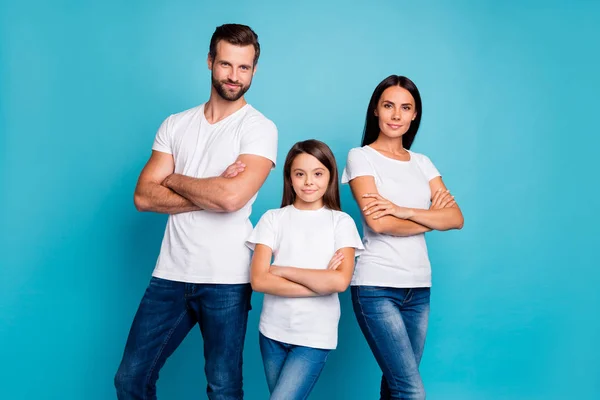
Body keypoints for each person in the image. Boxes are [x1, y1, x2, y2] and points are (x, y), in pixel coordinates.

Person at [114, 24, 278, 400]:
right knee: (130, 380)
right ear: (209, 62)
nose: (234, 76)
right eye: (225, 64)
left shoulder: (259, 128)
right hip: (169, 274)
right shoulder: (175, 124)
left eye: (244, 68)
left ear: (254, 70)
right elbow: (143, 197)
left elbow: (231, 199)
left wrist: (173, 178)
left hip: (227, 279)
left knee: (223, 388)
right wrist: (212, 186)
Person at [342, 75, 464, 400]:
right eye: (389, 106)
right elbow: (378, 223)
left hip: (419, 288)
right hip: (376, 287)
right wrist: (429, 217)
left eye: (405, 108)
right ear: (376, 112)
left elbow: (455, 218)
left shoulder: (422, 163)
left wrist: (403, 211)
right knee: (411, 391)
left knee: (395, 387)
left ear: (414, 116)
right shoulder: (361, 157)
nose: (396, 115)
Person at [246, 140, 363, 400]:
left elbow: (340, 282)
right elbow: (259, 281)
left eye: (318, 173)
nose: (309, 182)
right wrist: (320, 283)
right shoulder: (272, 219)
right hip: (272, 333)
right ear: (289, 177)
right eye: (300, 174)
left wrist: (280, 269)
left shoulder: (341, 223)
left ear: (331, 176)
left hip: (314, 335)